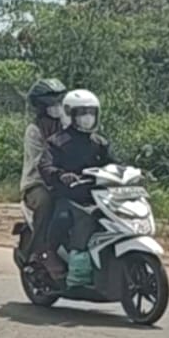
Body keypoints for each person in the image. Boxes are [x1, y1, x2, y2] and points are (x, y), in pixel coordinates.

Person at [36, 89, 114, 278]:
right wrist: (61, 175)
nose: (87, 118)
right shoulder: (56, 142)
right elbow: (44, 165)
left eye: (91, 113)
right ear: (70, 114)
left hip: (97, 195)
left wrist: (132, 172)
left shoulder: (99, 142)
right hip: (69, 195)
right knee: (64, 216)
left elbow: (113, 163)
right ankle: (50, 252)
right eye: (82, 113)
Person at [18, 78, 67, 261]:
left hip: (64, 180)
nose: (56, 106)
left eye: (59, 101)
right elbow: (42, 163)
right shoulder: (34, 131)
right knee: (46, 203)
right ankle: (37, 253)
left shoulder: (67, 126)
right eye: (52, 103)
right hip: (37, 184)